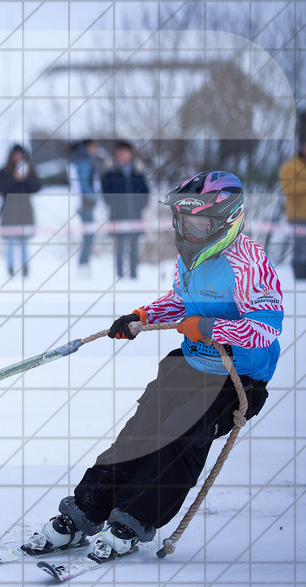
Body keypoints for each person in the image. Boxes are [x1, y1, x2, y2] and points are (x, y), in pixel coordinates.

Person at [23, 171, 282, 561]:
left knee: (180, 441)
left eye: (198, 222)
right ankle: (84, 513)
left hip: (237, 377)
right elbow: (180, 302)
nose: (188, 229)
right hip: (192, 361)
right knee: (139, 433)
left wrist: (213, 327)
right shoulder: (190, 258)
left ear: (227, 219)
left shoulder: (249, 264)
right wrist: (142, 315)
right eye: (184, 220)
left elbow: (266, 327)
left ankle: (132, 521)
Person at [101, 141, 150, 279]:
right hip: (118, 215)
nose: (122, 155)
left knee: (134, 246)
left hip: (135, 214)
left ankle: (134, 275)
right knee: (120, 246)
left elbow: (145, 192)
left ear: (130, 154)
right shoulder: (110, 173)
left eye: (125, 152)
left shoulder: (138, 172)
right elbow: (106, 193)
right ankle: (120, 276)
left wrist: (140, 205)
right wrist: (115, 206)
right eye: (119, 152)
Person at [0, 145, 41, 277]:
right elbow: (0, 188)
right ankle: (10, 267)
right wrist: (14, 179)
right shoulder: (4, 172)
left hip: (24, 210)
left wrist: (25, 178)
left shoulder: (30, 171)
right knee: (9, 241)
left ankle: (25, 267)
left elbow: (36, 187)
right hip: (9, 210)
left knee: (24, 241)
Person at [278, 115, 306, 280]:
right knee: (300, 250)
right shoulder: (290, 166)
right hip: (298, 216)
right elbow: (289, 188)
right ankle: (300, 279)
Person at [70, 139, 102, 275]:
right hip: (85, 203)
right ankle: (83, 265)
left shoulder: (81, 158)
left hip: (84, 202)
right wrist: (94, 196)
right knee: (89, 235)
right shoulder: (84, 160)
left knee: (88, 234)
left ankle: (84, 264)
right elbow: (83, 183)